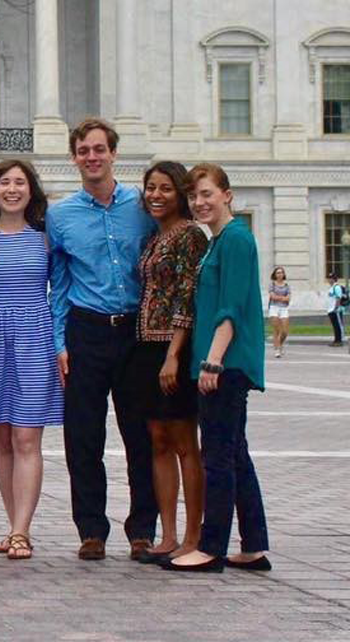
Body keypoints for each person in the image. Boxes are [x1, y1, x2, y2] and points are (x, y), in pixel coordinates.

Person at [48, 118, 159, 561]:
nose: (92, 157)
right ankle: (91, 529)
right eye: (83, 150)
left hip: (135, 331)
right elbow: (57, 282)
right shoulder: (60, 215)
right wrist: (60, 343)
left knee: (141, 434)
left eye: (99, 149)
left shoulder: (143, 206)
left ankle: (142, 529)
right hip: (86, 329)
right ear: (74, 157)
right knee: (84, 437)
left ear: (113, 153)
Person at [164, 163, 270, 573]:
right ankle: (255, 546)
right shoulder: (218, 240)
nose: (199, 202)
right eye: (194, 196)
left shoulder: (236, 240)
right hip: (221, 362)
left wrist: (213, 360)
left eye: (207, 194)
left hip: (225, 364)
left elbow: (231, 308)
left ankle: (211, 548)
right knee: (235, 453)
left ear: (227, 194)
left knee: (218, 457)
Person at [0, 159, 64, 560]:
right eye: (5, 182)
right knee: (2, 438)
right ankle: (13, 524)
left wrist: (61, 343)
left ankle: (23, 529)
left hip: (34, 337)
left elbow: (60, 290)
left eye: (20, 183)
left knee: (27, 436)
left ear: (31, 191)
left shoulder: (44, 236)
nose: (12, 189)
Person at [127, 161, 208, 564]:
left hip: (173, 350)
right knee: (157, 440)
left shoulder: (190, 236)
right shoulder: (155, 237)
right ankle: (168, 534)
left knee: (182, 443)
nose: (156, 196)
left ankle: (193, 536)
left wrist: (174, 354)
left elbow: (187, 296)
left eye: (165, 189)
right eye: (150, 188)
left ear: (181, 193)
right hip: (145, 347)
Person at [267, 267, 290, 358]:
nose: (280, 274)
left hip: (284, 308)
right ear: (275, 275)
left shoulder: (286, 285)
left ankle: (280, 344)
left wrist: (280, 297)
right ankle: (277, 349)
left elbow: (288, 298)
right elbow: (272, 297)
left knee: (284, 331)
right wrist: (282, 298)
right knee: (276, 329)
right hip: (274, 307)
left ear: (283, 274)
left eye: (281, 273)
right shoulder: (272, 284)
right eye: (278, 273)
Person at [326, 273, 345, 347]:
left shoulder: (337, 287)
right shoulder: (332, 287)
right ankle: (336, 340)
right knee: (335, 326)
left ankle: (339, 341)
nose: (328, 280)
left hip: (336, 310)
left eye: (330, 278)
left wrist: (336, 308)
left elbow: (338, 298)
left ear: (333, 279)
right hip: (331, 310)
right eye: (328, 278)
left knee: (338, 325)